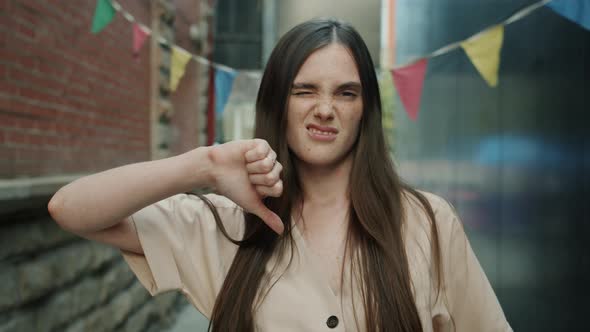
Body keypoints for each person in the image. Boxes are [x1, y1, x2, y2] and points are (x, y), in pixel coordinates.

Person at [48, 18, 511, 332]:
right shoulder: (226, 226)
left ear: (364, 108)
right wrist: (203, 165)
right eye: (304, 90)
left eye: (345, 93)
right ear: (277, 104)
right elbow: (70, 209)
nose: (325, 110)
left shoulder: (429, 222)